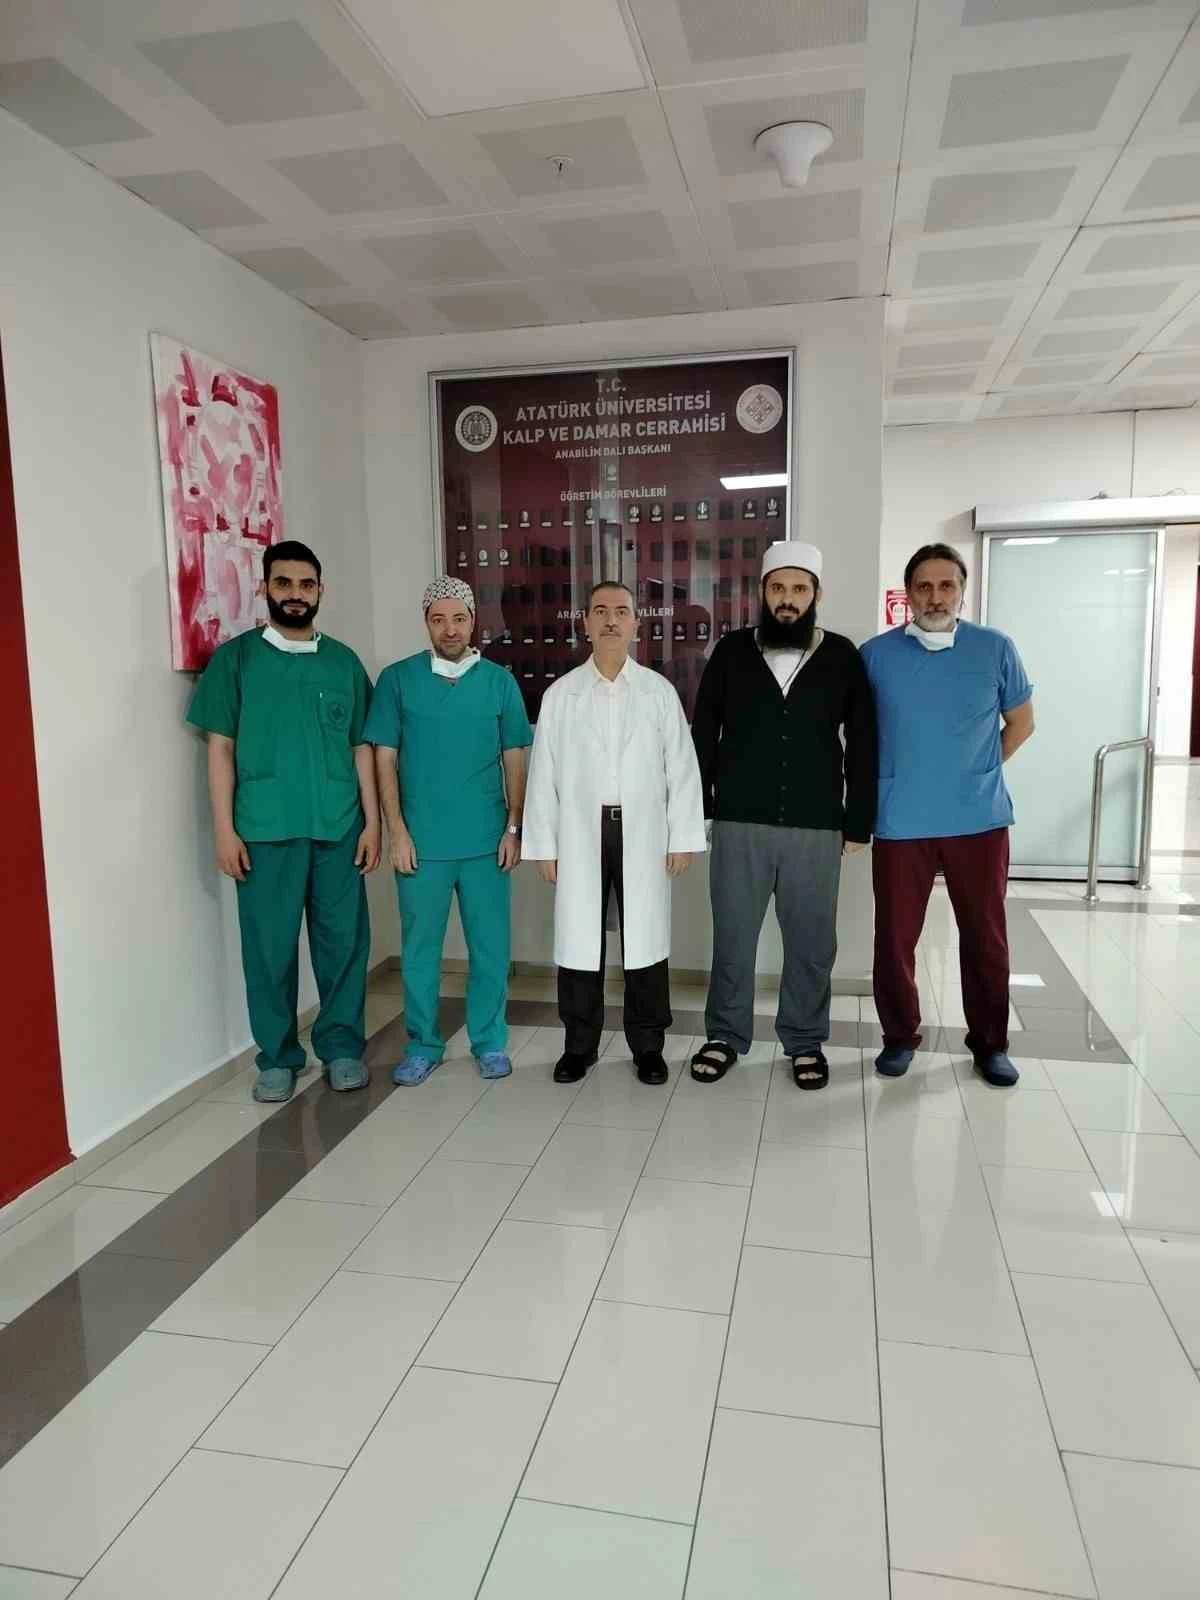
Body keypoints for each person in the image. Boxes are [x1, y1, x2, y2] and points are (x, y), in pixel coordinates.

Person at [187, 540, 380, 1103]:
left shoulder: (343, 662)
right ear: (265, 588)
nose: (296, 594)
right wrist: (224, 830)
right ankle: (277, 1057)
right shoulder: (237, 660)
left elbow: (361, 747)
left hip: (338, 827)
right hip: (264, 831)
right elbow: (220, 748)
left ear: (320, 591)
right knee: (269, 951)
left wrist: (372, 823)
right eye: (284, 583)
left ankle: (341, 1049)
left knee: (344, 946)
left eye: (306, 584)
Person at [690, 541, 876, 1089]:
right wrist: (701, 809)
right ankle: (725, 1035)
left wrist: (858, 821)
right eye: (778, 588)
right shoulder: (731, 652)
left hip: (816, 824)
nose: (787, 599)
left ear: (816, 594)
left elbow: (864, 740)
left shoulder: (842, 656)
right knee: (733, 937)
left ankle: (804, 1039)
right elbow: (703, 734)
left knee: (812, 942)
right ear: (762, 593)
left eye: (798, 589)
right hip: (738, 821)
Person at [861, 542, 1035, 1087]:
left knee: (985, 937)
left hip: (978, 820)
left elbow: (1021, 723)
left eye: (946, 585)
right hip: (901, 820)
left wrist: (979, 769)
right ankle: (898, 1037)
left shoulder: (995, 648)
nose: (936, 596)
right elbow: (858, 734)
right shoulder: (876, 655)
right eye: (924, 586)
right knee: (894, 938)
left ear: (962, 590)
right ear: (908, 594)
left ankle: (990, 1043)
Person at [522, 582, 707, 1085]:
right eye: (600, 611)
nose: (610, 620)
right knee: (579, 940)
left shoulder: (658, 693)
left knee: (645, 939)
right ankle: (578, 1045)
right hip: (580, 832)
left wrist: (682, 837)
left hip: (643, 831)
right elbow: (543, 775)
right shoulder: (561, 695)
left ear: (635, 624)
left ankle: (648, 1045)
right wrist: (543, 845)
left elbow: (681, 769)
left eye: (621, 612)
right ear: (584, 623)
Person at [366, 576, 532, 1083]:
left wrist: (513, 827)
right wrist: (397, 831)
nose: (450, 629)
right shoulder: (398, 681)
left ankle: (489, 1040)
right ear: (427, 623)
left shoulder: (499, 683)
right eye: (438, 620)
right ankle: (423, 1043)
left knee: (490, 949)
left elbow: (515, 758)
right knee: (420, 952)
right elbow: (384, 758)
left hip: (485, 842)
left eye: (459, 618)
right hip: (422, 845)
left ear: (473, 620)